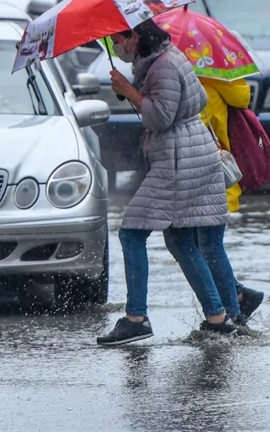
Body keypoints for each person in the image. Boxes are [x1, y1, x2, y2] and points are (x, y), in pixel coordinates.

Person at [96, 20, 235, 346]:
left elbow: (160, 117)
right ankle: (218, 317)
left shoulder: (163, 67)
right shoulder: (163, 58)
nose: (115, 46)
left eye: (117, 39)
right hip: (185, 155)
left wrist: (129, 91)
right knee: (179, 239)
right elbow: (194, 99)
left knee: (131, 232)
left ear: (134, 36)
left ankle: (136, 318)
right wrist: (134, 90)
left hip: (178, 159)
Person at [198, 78, 265, 325]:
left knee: (209, 247)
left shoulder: (202, 90)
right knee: (206, 247)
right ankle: (237, 295)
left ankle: (233, 310)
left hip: (210, 182)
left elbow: (192, 135)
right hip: (219, 181)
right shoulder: (222, 82)